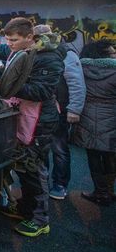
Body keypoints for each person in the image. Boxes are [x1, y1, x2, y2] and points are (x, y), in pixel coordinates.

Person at [0, 17, 63, 237]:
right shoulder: (22, 49)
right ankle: (25, 209)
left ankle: (40, 220)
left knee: (34, 168)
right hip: (22, 116)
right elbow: (3, 50)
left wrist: (3, 85)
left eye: (14, 39)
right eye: (8, 39)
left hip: (40, 122)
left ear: (30, 38)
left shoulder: (49, 58)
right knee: (22, 166)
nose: (9, 43)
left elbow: (41, 91)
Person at [32, 25, 86, 201]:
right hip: (40, 109)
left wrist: (74, 109)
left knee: (59, 149)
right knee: (42, 150)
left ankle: (60, 185)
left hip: (60, 109)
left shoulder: (66, 54)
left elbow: (76, 83)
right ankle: (44, 182)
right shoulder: (36, 53)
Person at [71, 39, 116, 206]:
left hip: (87, 117)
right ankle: (108, 191)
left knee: (93, 156)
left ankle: (100, 191)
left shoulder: (81, 68)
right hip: (111, 117)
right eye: (112, 52)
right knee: (110, 155)